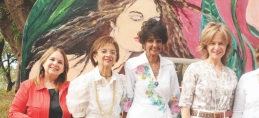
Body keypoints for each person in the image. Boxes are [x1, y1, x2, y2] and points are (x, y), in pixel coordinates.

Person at [25, 0, 200, 79]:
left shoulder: (139, 72)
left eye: (152, 22)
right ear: (113, 20)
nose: (144, 29)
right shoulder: (64, 65)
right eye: (136, 17)